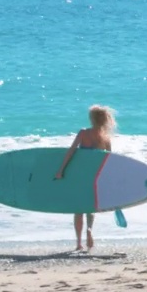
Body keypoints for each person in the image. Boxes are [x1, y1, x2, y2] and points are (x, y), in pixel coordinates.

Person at [54, 104, 117, 251]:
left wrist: (61, 170)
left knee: (78, 209)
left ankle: (78, 243)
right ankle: (89, 230)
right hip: (95, 177)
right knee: (90, 207)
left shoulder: (83, 133)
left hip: (79, 176)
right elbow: (109, 160)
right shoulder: (106, 138)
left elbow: (70, 153)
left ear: (92, 119)